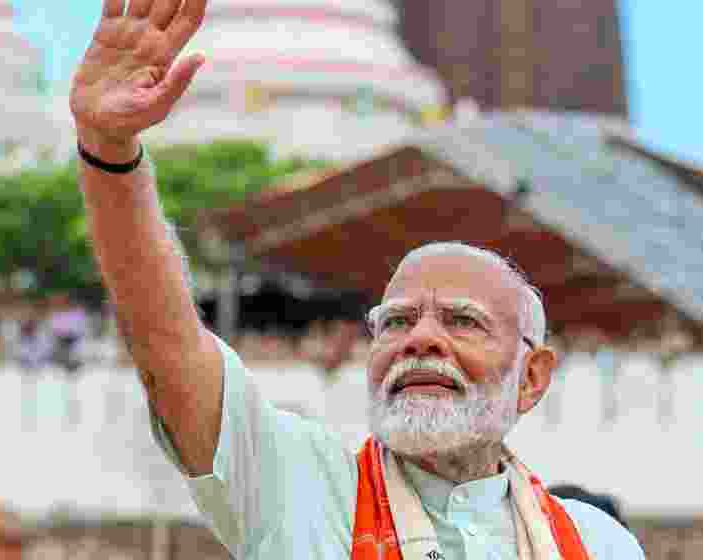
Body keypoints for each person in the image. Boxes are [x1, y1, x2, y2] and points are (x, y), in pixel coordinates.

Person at [69, 1, 645, 558]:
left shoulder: (597, 544)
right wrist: (109, 150)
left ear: (532, 376)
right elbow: (167, 345)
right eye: (395, 322)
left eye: (463, 321)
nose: (420, 339)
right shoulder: (298, 491)